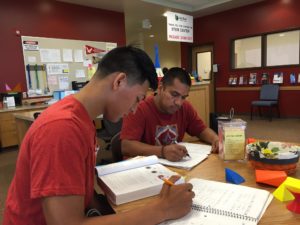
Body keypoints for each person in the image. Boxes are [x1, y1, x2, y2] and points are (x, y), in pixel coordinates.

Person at [3, 47, 194, 225]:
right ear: (119, 81)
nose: (135, 109)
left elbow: (82, 193)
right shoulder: (62, 128)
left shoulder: (83, 120)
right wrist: (162, 210)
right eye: (138, 99)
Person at [121, 67, 219, 162]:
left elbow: (201, 130)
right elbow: (126, 146)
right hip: (142, 169)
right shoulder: (139, 108)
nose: (179, 103)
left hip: (175, 168)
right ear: (160, 88)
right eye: (174, 95)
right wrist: (162, 151)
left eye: (183, 97)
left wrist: (216, 139)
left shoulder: (185, 107)